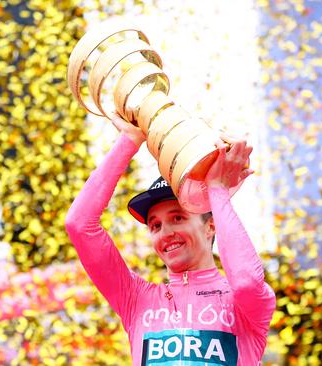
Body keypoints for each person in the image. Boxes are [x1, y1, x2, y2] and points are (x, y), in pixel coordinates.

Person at [65, 113, 276, 365]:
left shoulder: (244, 301)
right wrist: (129, 141)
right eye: (155, 225)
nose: (165, 232)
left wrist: (217, 189)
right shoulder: (136, 299)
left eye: (177, 218)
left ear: (210, 226)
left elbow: (247, 283)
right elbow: (79, 225)